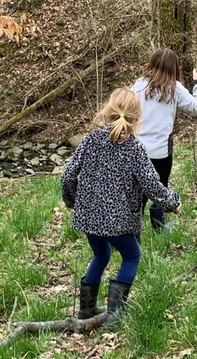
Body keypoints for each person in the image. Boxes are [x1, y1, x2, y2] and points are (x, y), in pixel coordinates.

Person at [61, 87, 182, 326]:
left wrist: (74, 202)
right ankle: (115, 315)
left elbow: (66, 176)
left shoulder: (90, 141)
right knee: (132, 255)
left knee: (101, 254)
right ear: (137, 119)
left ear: (108, 112)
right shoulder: (135, 149)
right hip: (120, 221)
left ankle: (86, 310)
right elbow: (152, 185)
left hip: (89, 218)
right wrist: (173, 203)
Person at [132, 49, 197, 231]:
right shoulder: (175, 88)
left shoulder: (138, 86)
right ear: (174, 67)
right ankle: (158, 226)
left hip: (137, 150)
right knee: (160, 188)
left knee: (136, 193)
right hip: (160, 152)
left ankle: (132, 229)